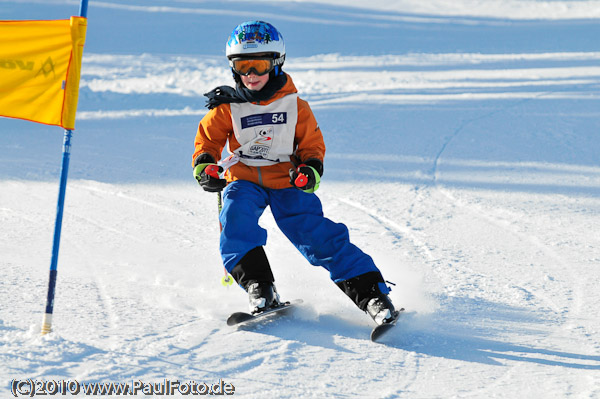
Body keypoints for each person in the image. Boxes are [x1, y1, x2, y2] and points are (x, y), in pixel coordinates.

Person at [192, 21, 399, 325]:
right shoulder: (227, 107)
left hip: (287, 182)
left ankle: (373, 296)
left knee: (316, 236)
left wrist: (309, 169)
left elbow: (312, 146)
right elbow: (206, 142)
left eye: (259, 65)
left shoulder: (295, 107)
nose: (250, 75)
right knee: (235, 219)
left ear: (276, 64)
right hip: (245, 179)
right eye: (242, 66)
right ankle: (258, 286)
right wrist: (205, 166)